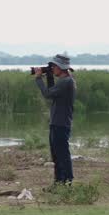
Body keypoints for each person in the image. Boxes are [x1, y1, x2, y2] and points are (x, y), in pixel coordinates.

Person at [32, 53, 76, 185]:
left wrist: (39, 79)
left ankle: (67, 181)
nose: (51, 69)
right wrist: (49, 77)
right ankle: (59, 182)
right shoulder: (65, 81)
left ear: (59, 67)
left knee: (62, 154)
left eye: (53, 66)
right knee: (57, 155)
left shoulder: (66, 82)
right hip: (57, 122)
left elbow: (47, 94)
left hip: (61, 123)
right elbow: (52, 92)